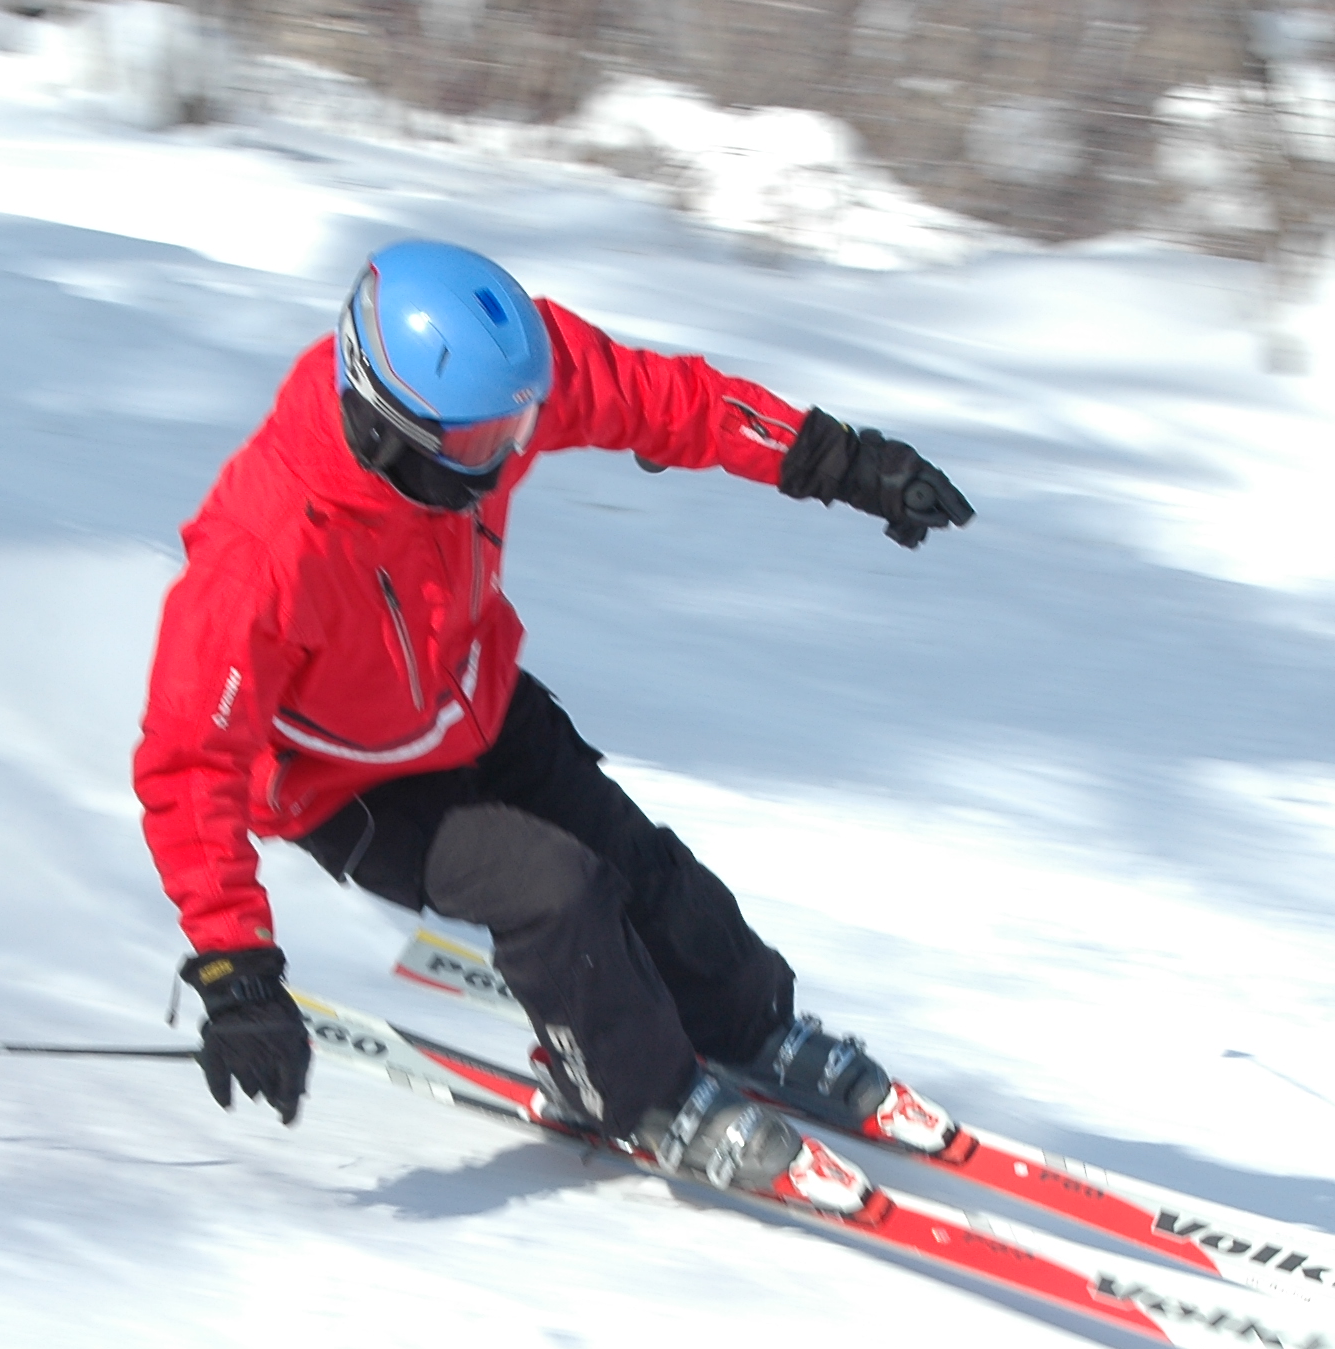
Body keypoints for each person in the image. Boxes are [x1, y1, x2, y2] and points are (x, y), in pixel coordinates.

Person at [133, 240, 974, 1210]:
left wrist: (834, 459)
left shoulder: (488, 399)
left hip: (474, 700)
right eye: (479, 443)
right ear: (384, 426)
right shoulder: (265, 549)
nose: (507, 453)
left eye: (515, 427)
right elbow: (187, 764)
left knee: (639, 860)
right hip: (350, 784)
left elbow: (663, 398)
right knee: (555, 890)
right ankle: (633, 1094)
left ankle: (747, 1023)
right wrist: (236, 973)